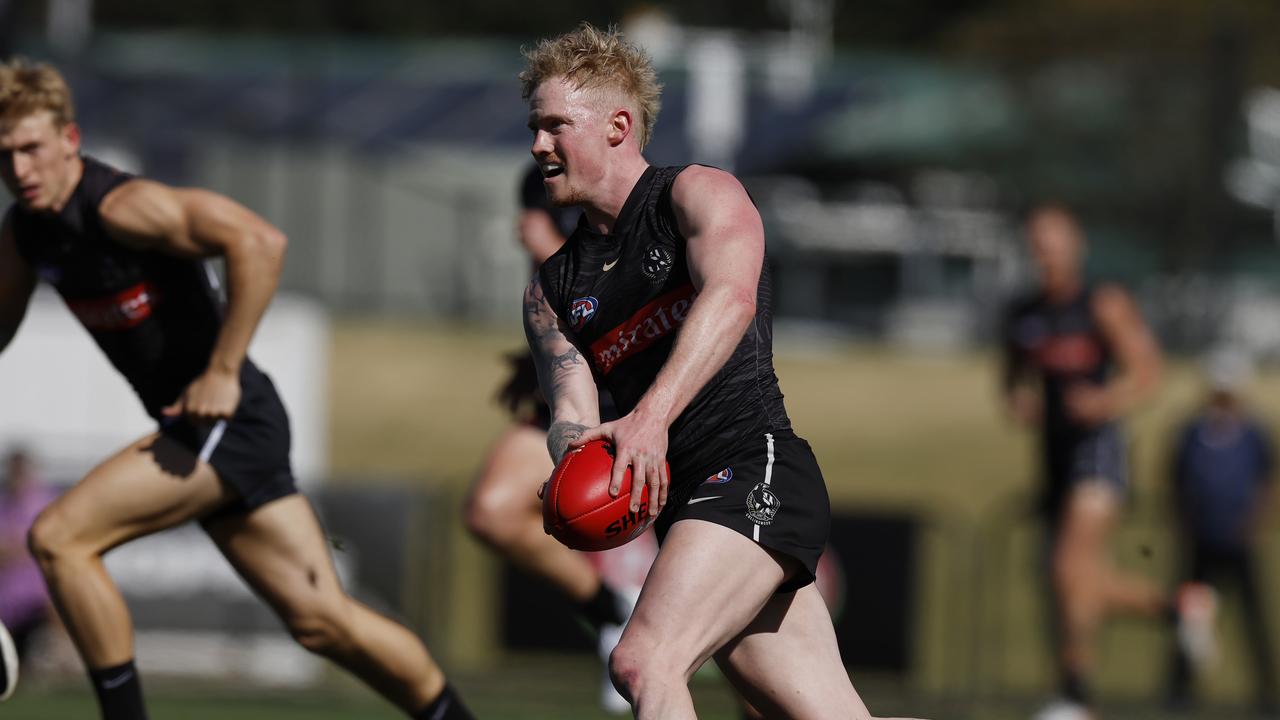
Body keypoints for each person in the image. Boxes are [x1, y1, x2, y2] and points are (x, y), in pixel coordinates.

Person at [0, 58, 472, 720]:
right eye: (4, 155)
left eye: (31, 148)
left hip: (229, 420)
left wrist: (221, 369)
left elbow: (259, 241)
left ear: (70, 141)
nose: (20, 169)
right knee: (321, 621)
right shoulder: (25, 233)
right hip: (204, 433)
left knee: (59, 538)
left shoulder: (122, 206)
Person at [520, 23, 917, 720]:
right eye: (535, 127)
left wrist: (649, 418)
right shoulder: (551, 290)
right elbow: (571, 412)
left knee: (644, 660)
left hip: (755, 469)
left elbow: (730, 298)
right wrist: (574, 469)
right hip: (688, 509)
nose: (538, 147)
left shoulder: (698, 196)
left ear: (618, 126)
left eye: (556, 127)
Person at [1000, 204, 1212, 720]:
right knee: (1069, 583)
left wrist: (1104, 402)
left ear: (1076, 247)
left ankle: (1074, 697)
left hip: (1098, 452)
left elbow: (1146, 372)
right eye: (1038, 244)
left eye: (1055, 243)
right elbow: (1011, 379)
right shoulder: (1022, 313)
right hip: (1052, 455)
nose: (1046, 255)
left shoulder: (1102, 304)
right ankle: (1181, 605)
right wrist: (1018, 400)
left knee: (1070, 568)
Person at [465, 161, 653, 714]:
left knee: (758, 663)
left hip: (650, 401)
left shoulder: (641, 201)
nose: (543, 139)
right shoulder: (537, 184)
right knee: (493, 511)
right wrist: (540, 363)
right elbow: (559, 312)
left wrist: (551, 249)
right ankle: (612, 611)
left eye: (554, 124)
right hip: (579, 396)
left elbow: (627, 297)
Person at [1165, 349, 1277, 714]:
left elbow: (1268, 479)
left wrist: (1255, 520)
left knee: (1252, 620)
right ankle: (1178, 690)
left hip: (1238, 539)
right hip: (1200, 538)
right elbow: (1175, 478)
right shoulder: (1192, 432)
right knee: (1189, 618)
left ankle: (1265, 692)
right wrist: (1182, 518)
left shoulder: (1253, 433)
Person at [0, 448, 58, 662]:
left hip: (38, 594)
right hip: (8, 596)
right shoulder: (4, 504)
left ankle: (62, 658)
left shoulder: (44, 503)